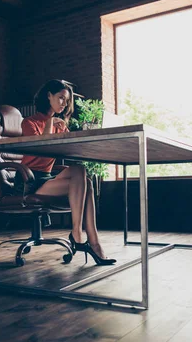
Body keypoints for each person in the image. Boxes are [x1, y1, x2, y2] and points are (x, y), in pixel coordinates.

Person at [14, 79, 116, 265]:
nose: (64, 103)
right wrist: (51, 122)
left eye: (66, 100)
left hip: (47, 178)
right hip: (29, 180)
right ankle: (77, 234)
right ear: (49, 96)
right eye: (61, 98)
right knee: (81, 175)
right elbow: (41, 147)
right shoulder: (29, 122)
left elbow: (69, 150)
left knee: (83, 175)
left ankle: (94, 242)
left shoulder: (60, 124)